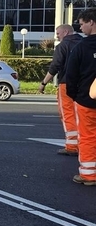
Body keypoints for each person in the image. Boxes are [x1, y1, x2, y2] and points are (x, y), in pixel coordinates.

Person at [64, 9, 96, 185]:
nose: (81, 27)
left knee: (88, 136)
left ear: (91, 22)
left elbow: (71, 74)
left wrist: (74, 95)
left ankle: (89, 175)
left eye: (82, 23)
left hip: (86, 100)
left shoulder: (81, 47)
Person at [40, 23, 82, 155]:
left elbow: (55, 66)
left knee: (68, 114)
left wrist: (43, 83)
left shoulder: (63, 46)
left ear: (65, 32)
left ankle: (72, 146)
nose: (56, 36)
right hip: (84, 85)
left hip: (66, 83)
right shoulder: (85, 43)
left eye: (58, 33)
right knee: (81, 115)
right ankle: (83, 144)